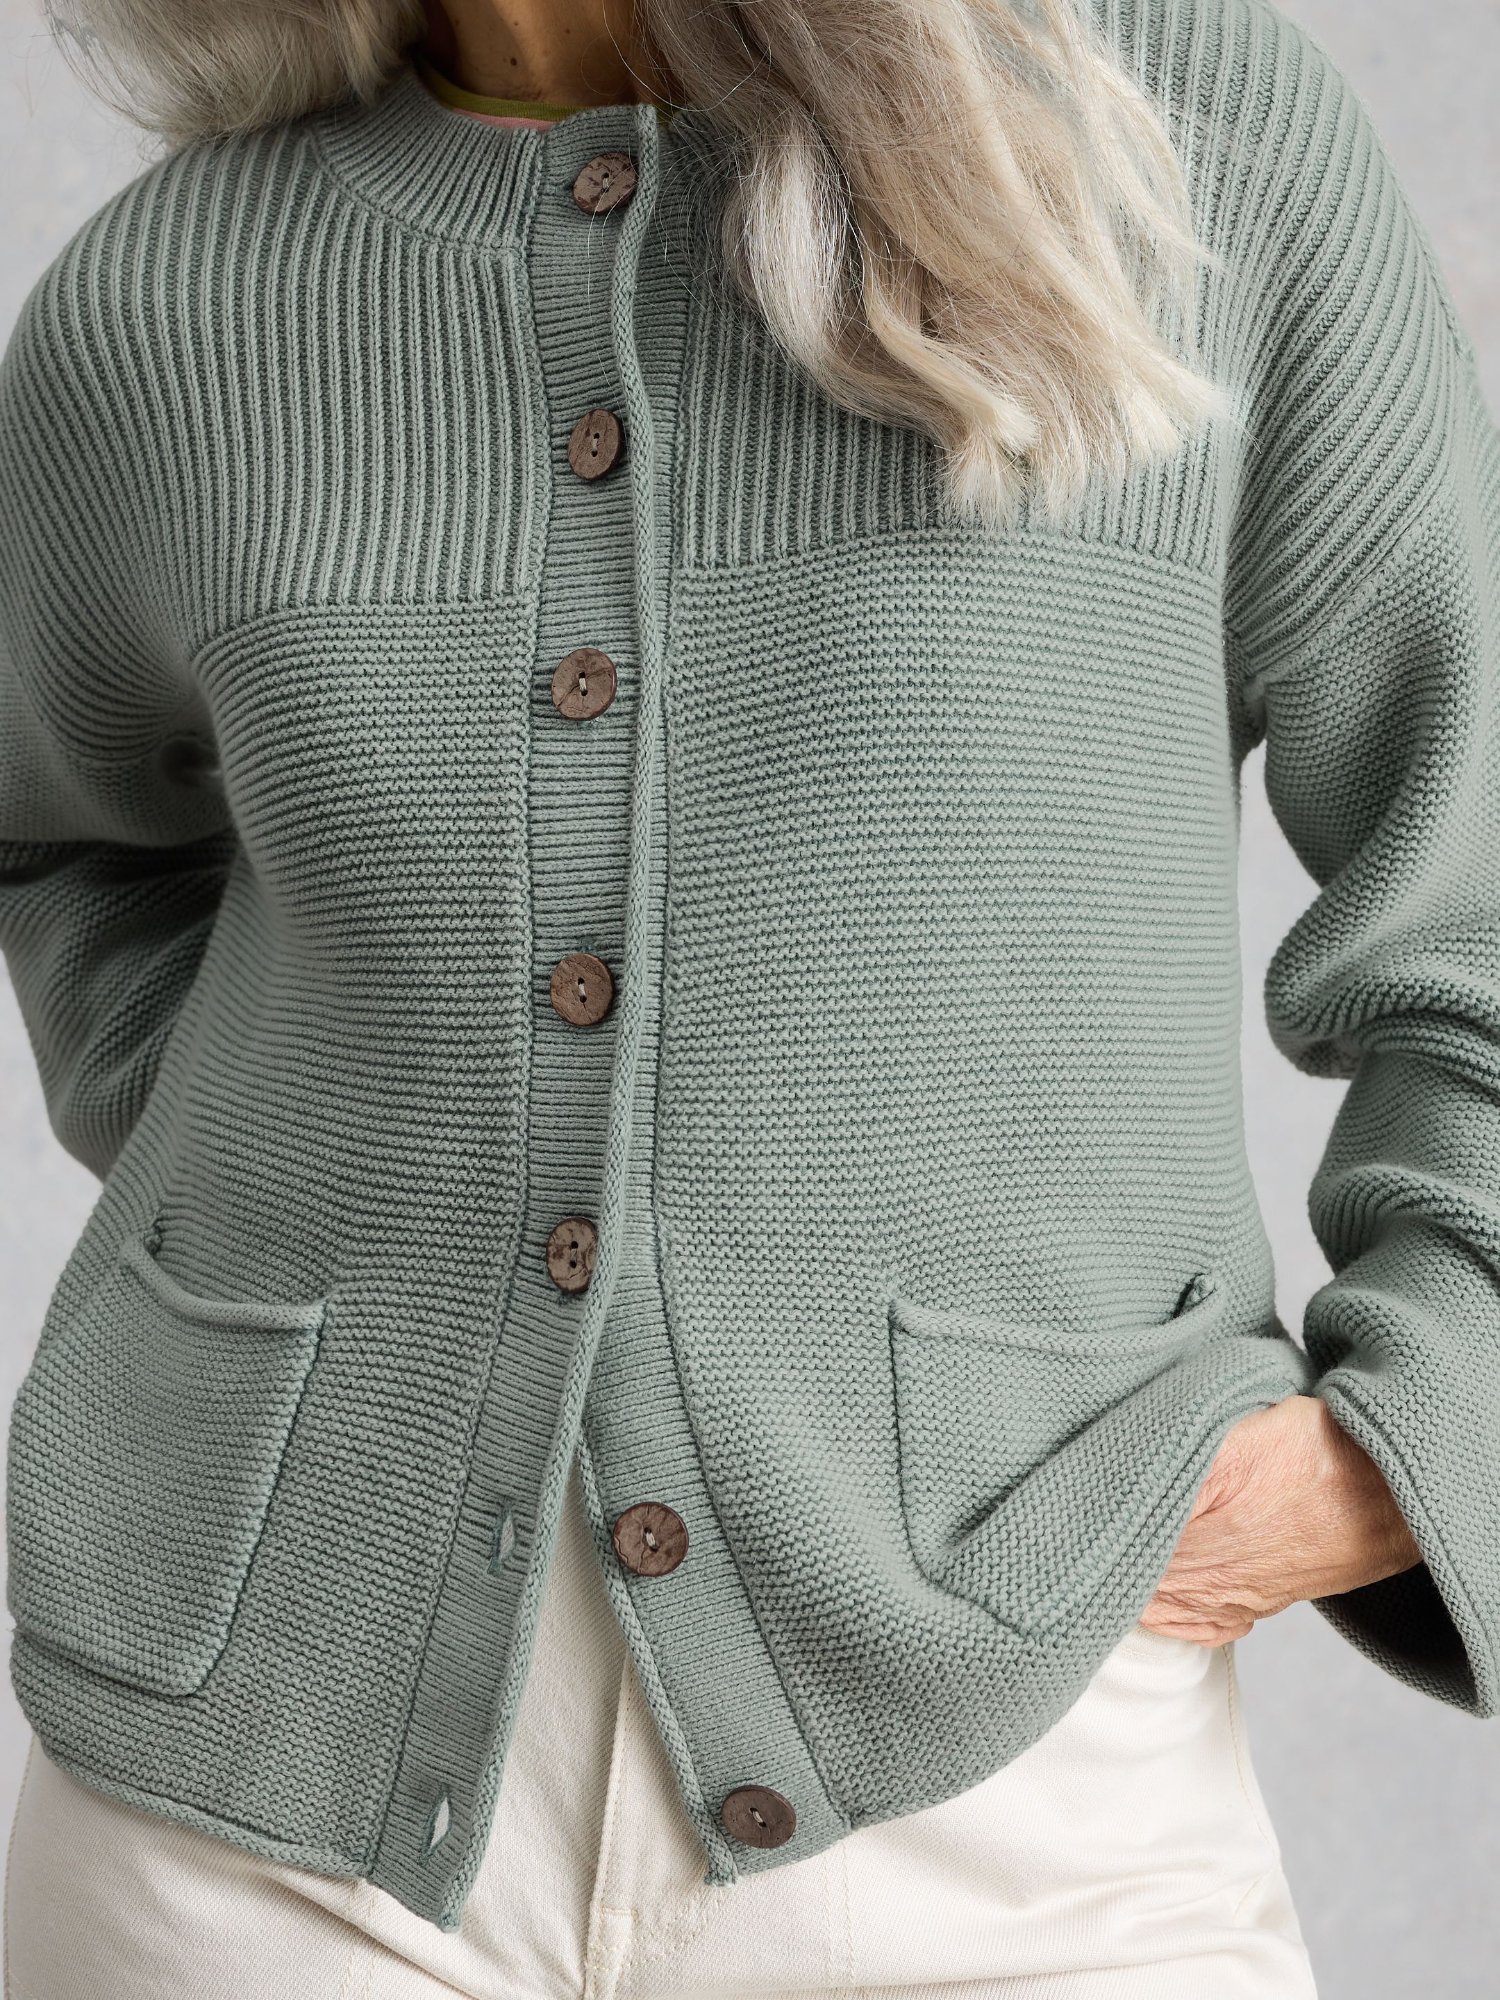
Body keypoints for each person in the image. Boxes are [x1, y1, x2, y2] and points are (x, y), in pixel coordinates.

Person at [1, 0, 1495, 1991]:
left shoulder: (1169, 137)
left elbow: (1476, 860)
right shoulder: (170, 304)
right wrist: (290, 1178)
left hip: (1011, 1784)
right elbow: (63, 837)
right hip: (253, 1804)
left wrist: (1422, 1420)